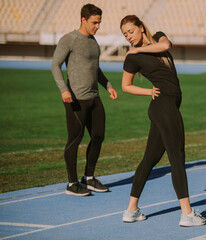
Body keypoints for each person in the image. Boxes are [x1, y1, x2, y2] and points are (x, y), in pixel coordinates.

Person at [120, 15, 206, 227]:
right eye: (125, 35)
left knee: (149, 159)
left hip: (166, 108)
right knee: (177, 158)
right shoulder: (131, 58)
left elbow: (165, 45)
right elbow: (126, 86)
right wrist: (148, 90)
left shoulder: (158, 39)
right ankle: (187, 214)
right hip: (164, 107)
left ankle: (131, 210)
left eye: (131, 31)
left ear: (141, 28)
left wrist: (139, 49)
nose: (129, 37)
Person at [51, 4, 118, 197]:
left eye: (99, 22)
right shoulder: (69, 39)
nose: (98, 26)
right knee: (75, 139)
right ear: (83, 20)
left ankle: (88, 178)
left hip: (94, 97)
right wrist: (64, 89)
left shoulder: (93, 41)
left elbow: (94, 69)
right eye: (94, 22)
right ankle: (71, 183)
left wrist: (108, 85)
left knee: (98, 136)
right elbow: (55, 64)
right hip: (75, 99)